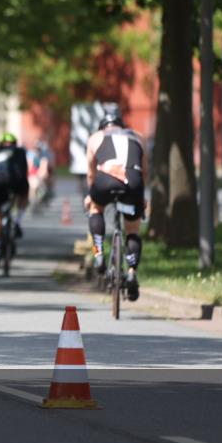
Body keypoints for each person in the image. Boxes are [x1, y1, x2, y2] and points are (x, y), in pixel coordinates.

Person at [84, 108, 147, 301]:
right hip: (133, 181)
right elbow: (144, 170)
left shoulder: (95, 137)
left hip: (106, 180)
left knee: (96, 208)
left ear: (103, 127)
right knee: (133, 229)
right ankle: (132, 272)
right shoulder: (138, 137)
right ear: (121, 126)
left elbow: (91, 173)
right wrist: (141, 196)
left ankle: (99, 253)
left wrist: (91, 195)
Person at [0, 133, 29, 267]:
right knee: (24, 193)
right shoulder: (20, 152)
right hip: (17, 184)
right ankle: (18, 222)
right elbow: (24, 174)